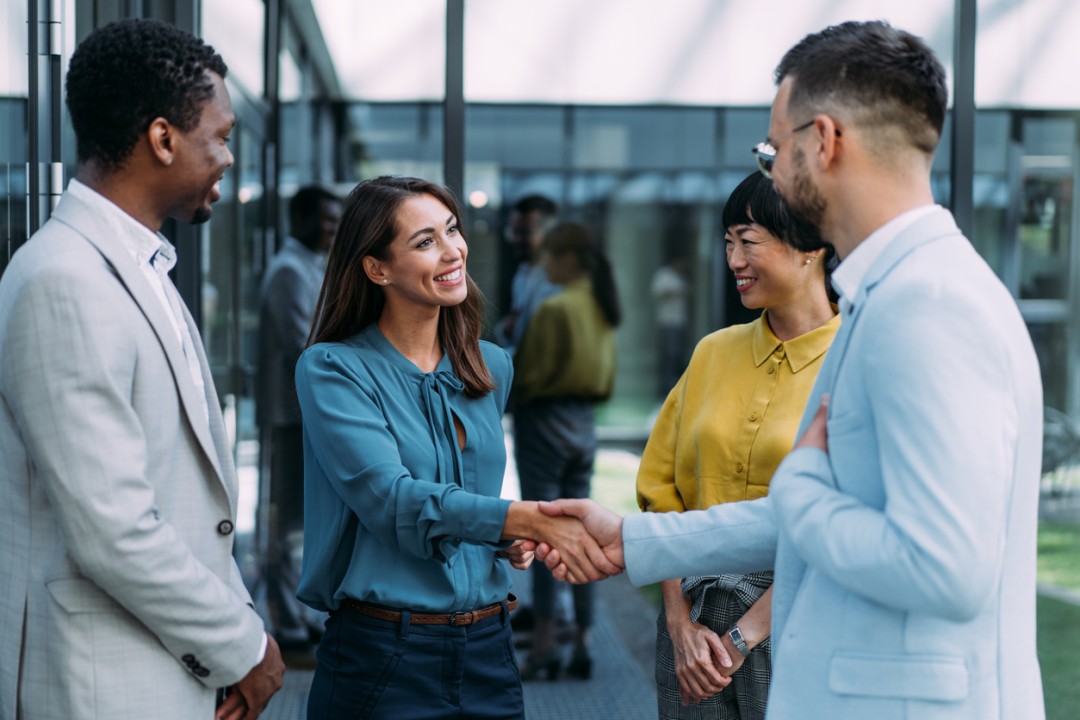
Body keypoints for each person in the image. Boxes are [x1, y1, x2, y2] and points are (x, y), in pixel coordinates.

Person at [538, 20, 1045, 720]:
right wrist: (629, 538)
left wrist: (802, 482)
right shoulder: (899, 293)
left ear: (825, 142)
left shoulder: (929, 306)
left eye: (773, 147)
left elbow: (943, 567)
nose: (771, 168)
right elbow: (844, 518)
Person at [0, 19, 284, 720]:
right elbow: (113, 528)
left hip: (154, 666)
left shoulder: (138, 265)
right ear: (162, 139)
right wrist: (243, 647)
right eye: (218, 137)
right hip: (101, 685)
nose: (226, 158)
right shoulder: (64, 280)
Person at [293, 176, 619, 719]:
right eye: (424, 241)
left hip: (490, 648)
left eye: (452, 230)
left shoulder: (491, 366)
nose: (452, 252)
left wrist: (497, 540)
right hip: (384, 657)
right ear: (377, 268)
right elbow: (394, 501)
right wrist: (524, 519)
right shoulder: (332, 369)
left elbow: (462, 498)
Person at [638, 173, 838, 718]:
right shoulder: (712, 352)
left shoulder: (853, 360)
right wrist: (680, 626)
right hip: (691, 628)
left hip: (800, 623)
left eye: (748, 241)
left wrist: (743, 637)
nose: (733, 260)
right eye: (728, 242)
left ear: (810, 247)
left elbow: (839, 518)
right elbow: (661, 493)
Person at [513, 223, 621, 681]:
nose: (546, 266)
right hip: (583, 426)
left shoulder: (555, 308)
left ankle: (542, 646)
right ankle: (582, 639)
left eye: (552, 257)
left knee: (542, 531)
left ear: (570, 259)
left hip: (544, 424)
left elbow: (528, 375)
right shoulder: (600, 306)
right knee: (585, 531)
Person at [256, 185, 342, 653]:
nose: (331, 230)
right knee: (282, 523)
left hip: (300, 413)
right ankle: (286, 623)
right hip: (288, 415)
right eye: (326, 221)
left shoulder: (308, 265)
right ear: (301, 219)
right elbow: (304, 347)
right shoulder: (289, 270)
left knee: (297, 523)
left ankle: (297, 616)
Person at [494, 194, 561, 355]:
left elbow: (543, 348)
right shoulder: (522, 273)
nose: (516, 240)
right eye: (513, 231)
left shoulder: (556, 280)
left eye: (525, 232)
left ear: (549, 234)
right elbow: (514, 329)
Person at [650, 255, 690, 397]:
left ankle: (674, 386)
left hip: (679, 321)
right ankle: (664, 389)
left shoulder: (679, 276)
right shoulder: (664, 275)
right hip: (667, 321)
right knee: (668, 355)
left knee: (676, 355)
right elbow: (659, 292)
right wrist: (676, 291)